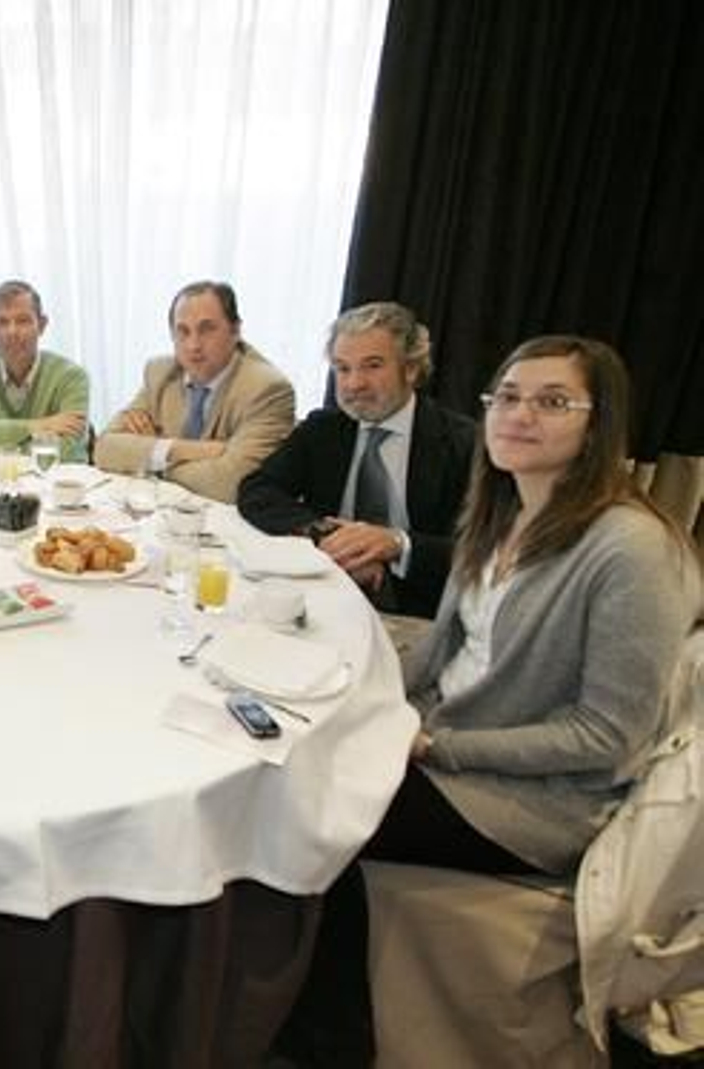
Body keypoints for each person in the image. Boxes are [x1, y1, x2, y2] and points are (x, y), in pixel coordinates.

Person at [278, 335, 702, 1065]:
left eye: (552, 401)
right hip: (449, 743)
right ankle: (303, 1015)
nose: (520, 414)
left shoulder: (631, 550)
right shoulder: (505, 511)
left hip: (538, 801)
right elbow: (445, 654)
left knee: (316, 815)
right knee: (286, 750)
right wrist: (367, 701)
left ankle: (330, 1040)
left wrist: (435, 744)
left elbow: (607, 737)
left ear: (599, 424)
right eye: (507, 396)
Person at [237, 301, 474, 617]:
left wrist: (396, 545)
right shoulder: (323, 428)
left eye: (372, 366)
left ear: (411, 368)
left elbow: (482, 550)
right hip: (323, 592)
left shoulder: (463, 443)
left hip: (414, 610)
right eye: (343, 368)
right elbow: (257, 490)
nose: (354, 384)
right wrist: (329, 536)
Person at [94, 280, 295, 501]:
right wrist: (182, 450)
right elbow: (104, 449)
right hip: (165, 511)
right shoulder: (160, 373)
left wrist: (153, 462)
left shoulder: (267, 389)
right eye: (183, 331)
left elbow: (232, 483)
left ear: (235, 330)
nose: (193, 345)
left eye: (206, 329)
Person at [0, 280, 90, 462]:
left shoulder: (71, 377)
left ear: (42, 325)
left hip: (54, 481)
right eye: (2, 322)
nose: (12, 332)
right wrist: (38, 426)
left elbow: (69, 453)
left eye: (23, 321)